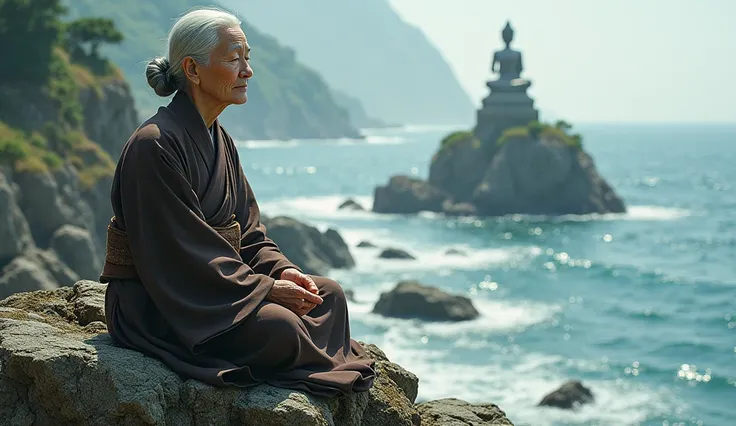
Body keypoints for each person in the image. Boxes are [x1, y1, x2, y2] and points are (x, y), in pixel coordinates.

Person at [99, 7, 375, 397]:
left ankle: (309, 353)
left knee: (329, 295)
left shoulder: (220, 141)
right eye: (234, 59)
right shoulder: (154, 145)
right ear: (193, 70)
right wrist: (265, 290)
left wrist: (283, 271)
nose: (247, 71)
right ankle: (313, 358)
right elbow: (182, 254)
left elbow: (247, 232)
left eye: (248, 58)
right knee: (281, 326)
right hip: (158, 302)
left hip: (214, 290)